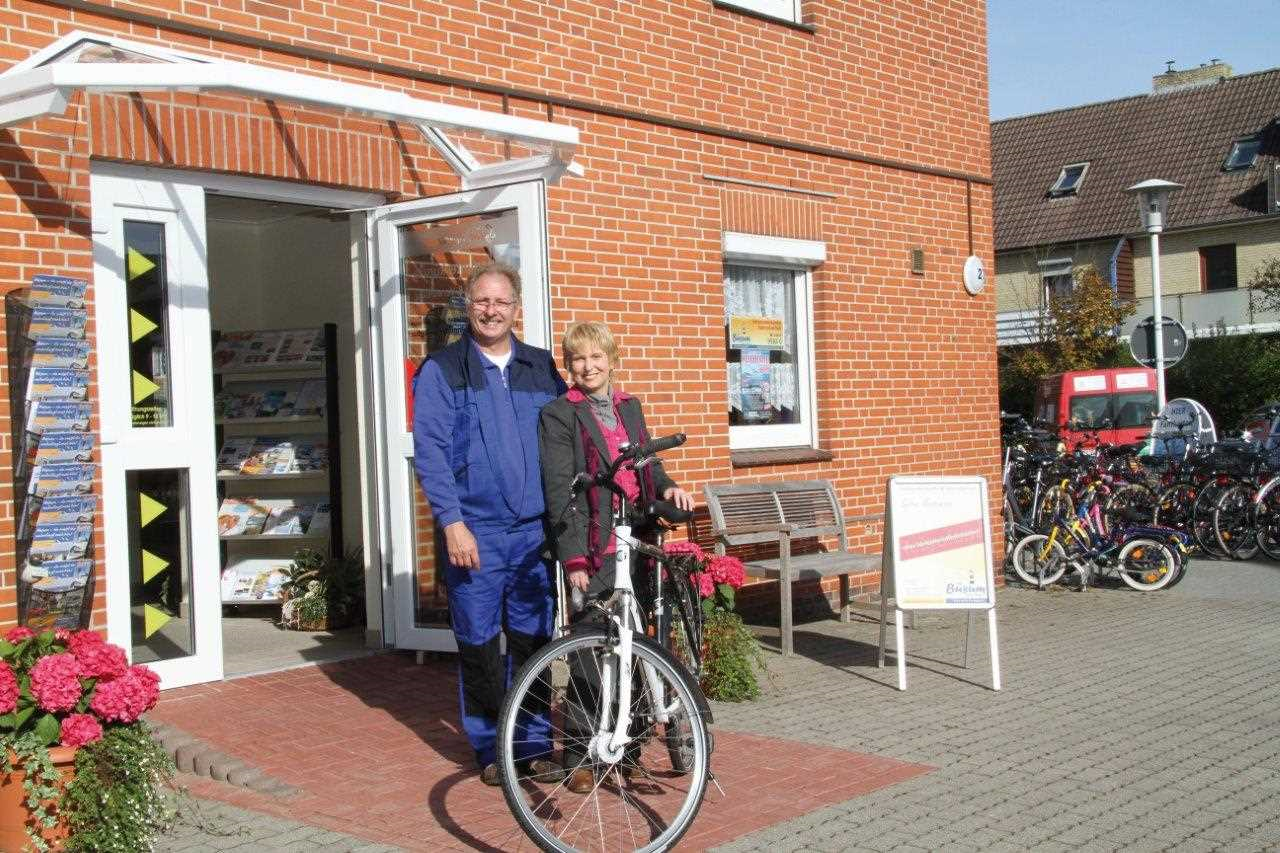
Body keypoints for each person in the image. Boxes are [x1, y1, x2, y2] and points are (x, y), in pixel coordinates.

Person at [412, 261, 567, 786]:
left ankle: (533, 745)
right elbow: (429, 453)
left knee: (533, 643)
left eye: (501, 301)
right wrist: (452, 524)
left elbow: (567, 438)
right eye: (481, 301)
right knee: (479, 646)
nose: (491, 310)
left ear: (516, 308)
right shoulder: (442, 369)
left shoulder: (541, 367)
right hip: (474, 532)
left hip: (531, 535)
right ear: (468, 306)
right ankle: (491, 750)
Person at [539, 321, 695, 794]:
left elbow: (647, 461)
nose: (587, 367)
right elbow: (558, 490)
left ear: (612, 358)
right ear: (569, 366)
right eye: (578, 359)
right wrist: (574, 561)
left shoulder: (630, 406)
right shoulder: (558, 415)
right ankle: (580, 753)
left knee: (635, 650)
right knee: (589, 649)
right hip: (593, 548)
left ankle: (629, 750)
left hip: (636, 542)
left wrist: (667, 485)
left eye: (595, 357)